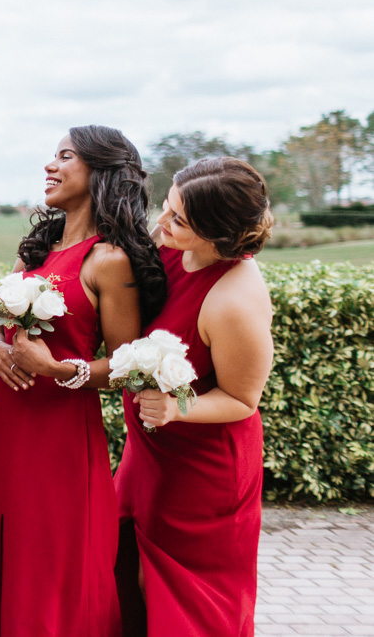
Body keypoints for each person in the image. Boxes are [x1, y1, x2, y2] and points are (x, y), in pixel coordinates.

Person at [0, 125, 166, 637]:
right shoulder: (38, 248)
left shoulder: (110, 260)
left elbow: (128, 365)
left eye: (65, 156)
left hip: (60, 439)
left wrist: (63, 372)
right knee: (4, 557)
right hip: (4, 432)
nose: (49, 166)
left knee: (53, 567)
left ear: (100, 171)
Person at [113, 157, 275, 636]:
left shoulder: (233, 301)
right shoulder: (170, 251)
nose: (160, 223)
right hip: (147, 458)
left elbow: (243, 399)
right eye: (167, 207)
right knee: (128, 573)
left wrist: (178, 407)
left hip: (204, 474)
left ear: (218, 234)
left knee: (186, 601)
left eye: (178, 219)